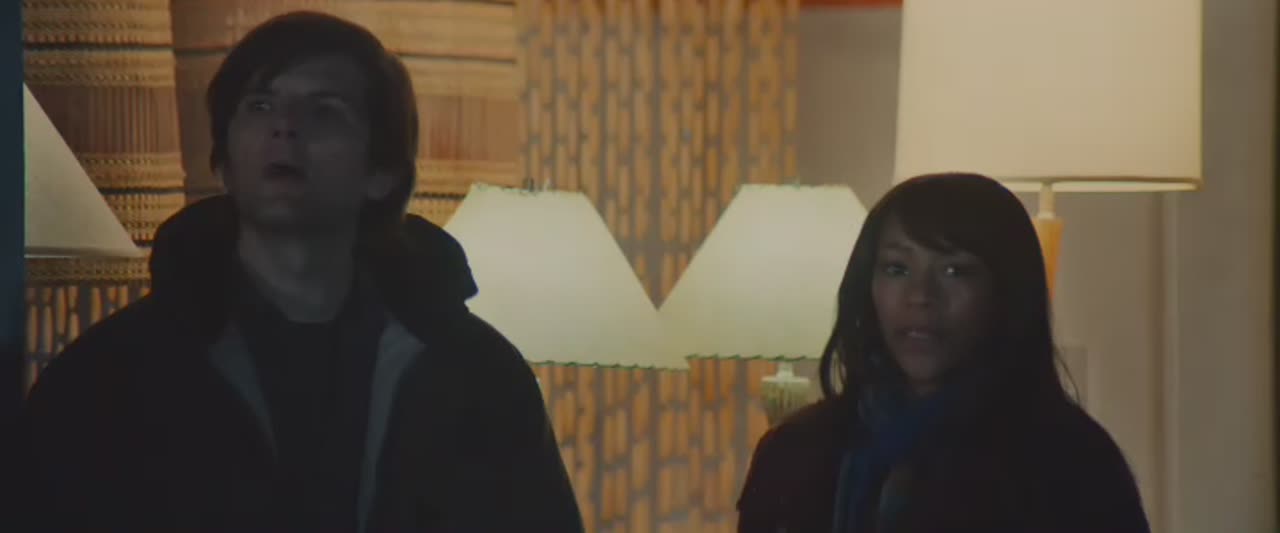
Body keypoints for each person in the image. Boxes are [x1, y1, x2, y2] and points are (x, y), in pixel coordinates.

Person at [14, 11, 583, 533]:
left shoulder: (476, 373)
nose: (284, 128)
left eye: (323, 111)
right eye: (260, 106)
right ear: (225, 162)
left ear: (381, 172)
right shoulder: (114, 375)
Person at [736, 173, 1150, 533]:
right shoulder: (797, 452)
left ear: (1003, 290)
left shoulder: (1070, 464)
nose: (920, 296)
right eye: (897, 269)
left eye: (954, 271)